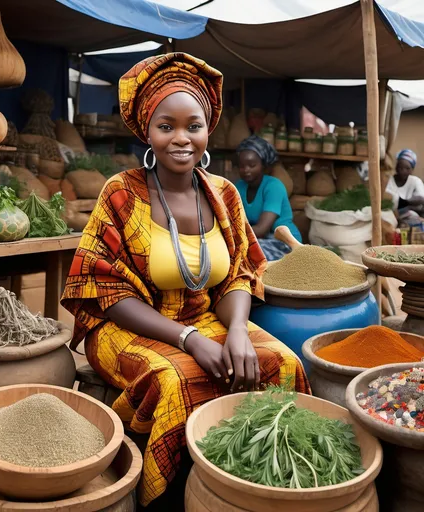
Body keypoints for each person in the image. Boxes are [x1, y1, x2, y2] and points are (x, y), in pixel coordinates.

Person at [61, 53, 309, 509]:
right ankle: (171, 495)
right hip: (129, 328)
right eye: (166, 126)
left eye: (193, 126)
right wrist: (189, 338)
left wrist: (236, 329)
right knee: (178, 380)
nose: (181, 138)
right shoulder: (121, 192)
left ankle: (258, 481)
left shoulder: (223, 193)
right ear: (146, 131)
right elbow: (106, 291)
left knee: (282, 363)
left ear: (207, 130)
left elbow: (239, 272)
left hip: (206, 318)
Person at [235, 135, 302, 260]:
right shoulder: (239, 187)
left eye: (252, 165)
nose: (246, 170)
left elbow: (261, 229)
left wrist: (231, 234)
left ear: (263, 166)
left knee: (248, 254)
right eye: (242, 166)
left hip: (285, 243)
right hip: (256, 239)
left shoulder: (274, 186)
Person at [385, 149, 424, 215]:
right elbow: (387, 202)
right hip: (391, 214)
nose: (403, 171)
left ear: (412, 170)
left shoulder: (415, 181)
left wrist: (404, 204)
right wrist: (408, 205)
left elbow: (421, 199)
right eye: (400, 167)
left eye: (407, 168)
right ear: (396, 167)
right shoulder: (388, 180)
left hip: (410, 215)